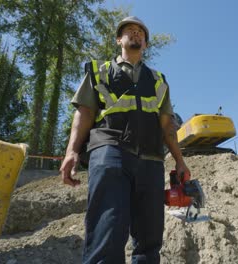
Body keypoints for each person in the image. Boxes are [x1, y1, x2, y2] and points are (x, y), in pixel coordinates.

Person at [59, 16, 190, 264]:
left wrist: (180, 161)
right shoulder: (99, 71)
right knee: (107, 230)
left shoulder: (159, 81)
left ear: (146, 44)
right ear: (119, 39)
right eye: (129, 30)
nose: (136, 33)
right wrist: (72, 151)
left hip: (151, 159)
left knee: (150, 238)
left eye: (141, 32)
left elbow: (167, 126)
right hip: (110, 151)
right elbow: (84, 112)